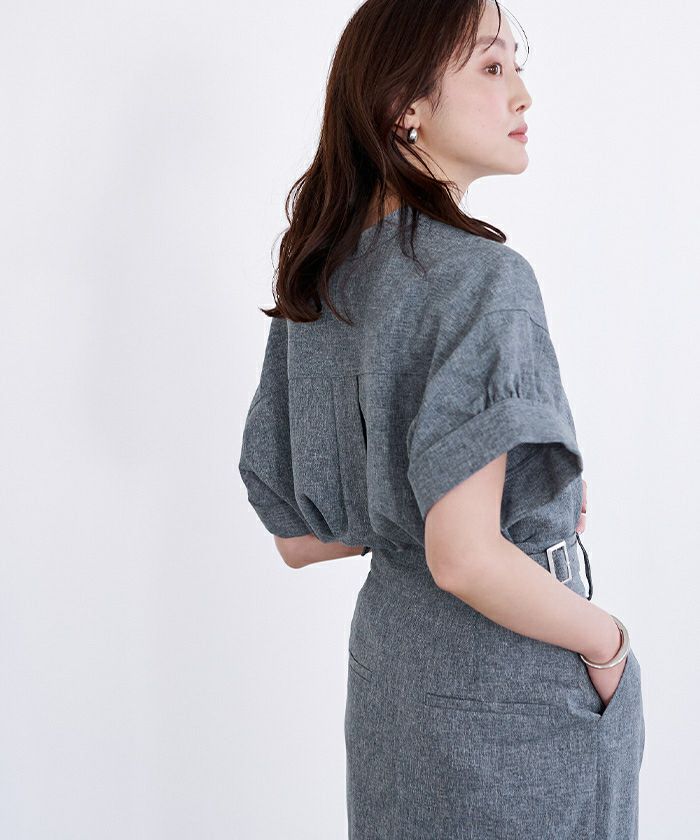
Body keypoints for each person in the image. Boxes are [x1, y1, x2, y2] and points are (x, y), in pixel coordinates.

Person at [238, 0, 645, 837]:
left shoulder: (324, 282)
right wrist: (606, 642)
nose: (523, 93)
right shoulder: (483, 278)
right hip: (505, 684)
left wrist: (423, 504)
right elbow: (463, 559)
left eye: (516, 65)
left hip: (393, 677)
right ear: (404, 108)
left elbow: (300, 538)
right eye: (491, 67)